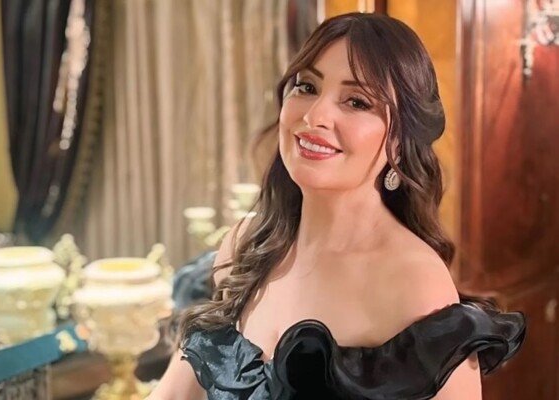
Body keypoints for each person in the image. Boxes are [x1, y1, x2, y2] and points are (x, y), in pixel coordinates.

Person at [149, 12, 525, 400]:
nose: (314, 116)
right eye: (307, 86)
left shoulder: (413, 282)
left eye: (357, 101)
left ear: (400, 139)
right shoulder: (247, 245)